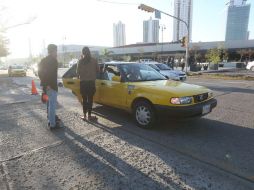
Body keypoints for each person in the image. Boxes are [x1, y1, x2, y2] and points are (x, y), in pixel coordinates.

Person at [38, 44, 60, 129]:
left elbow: (40, 72)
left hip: (46, 87)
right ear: (53, 51)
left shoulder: (43, 60)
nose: (56, 53)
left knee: (48, 105)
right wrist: (49, 85)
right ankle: (52, 124)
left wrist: (45, 84)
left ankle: (50, 121)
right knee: (52, 106)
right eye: (56, 51)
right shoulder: (54, 61)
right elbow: (51, 74)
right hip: (51, 87)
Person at [77, 47, 99, 121]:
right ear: (89, 52)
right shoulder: (94, 60)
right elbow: (98, 70)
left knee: (84, 99)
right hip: (91, 83)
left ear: (83, 53)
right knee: (90, 99)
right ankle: (89, 116)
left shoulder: (80, 61)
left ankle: (84, 115)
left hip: (83, 83)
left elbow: (77, 72)